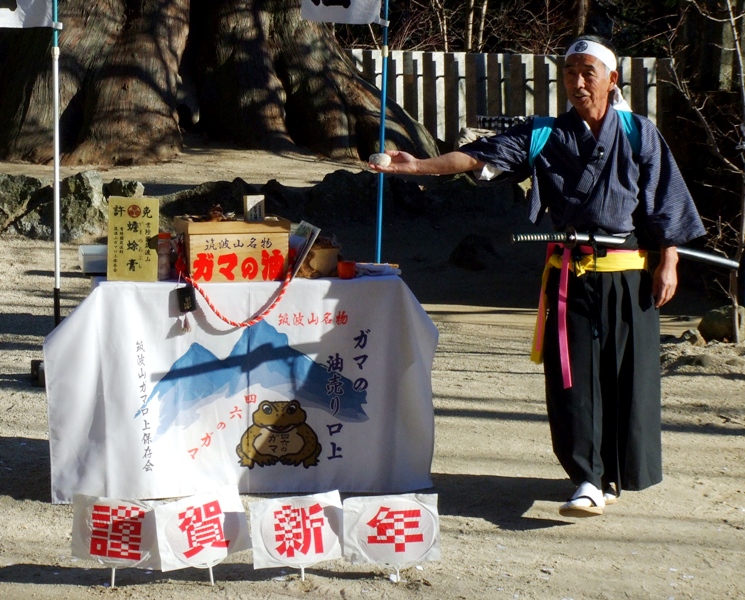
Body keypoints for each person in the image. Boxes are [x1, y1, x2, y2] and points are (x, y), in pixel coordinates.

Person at [369, 35, 706, 518]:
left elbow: (663, 200)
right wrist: (418, 166)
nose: (577, 82)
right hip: (571, 276)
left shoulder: (639, 133)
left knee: (627, 377)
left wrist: (669, 260)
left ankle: (612, 472)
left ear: (612, 79)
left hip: (628, 274)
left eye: (588, 73)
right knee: (573, 377)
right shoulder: (544, 133)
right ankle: (586, 477)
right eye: (569, 73)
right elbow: (480, 156)